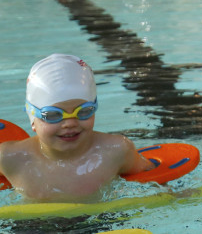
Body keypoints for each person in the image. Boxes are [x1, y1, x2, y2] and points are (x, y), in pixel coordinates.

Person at [0, 54, 153, 202]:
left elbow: (154, 177)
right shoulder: (10, 157)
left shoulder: (117, 150)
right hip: (29, 225)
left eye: (84, 111)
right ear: (33, 119)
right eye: (53, 115)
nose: (70, 123)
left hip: (101, 222)